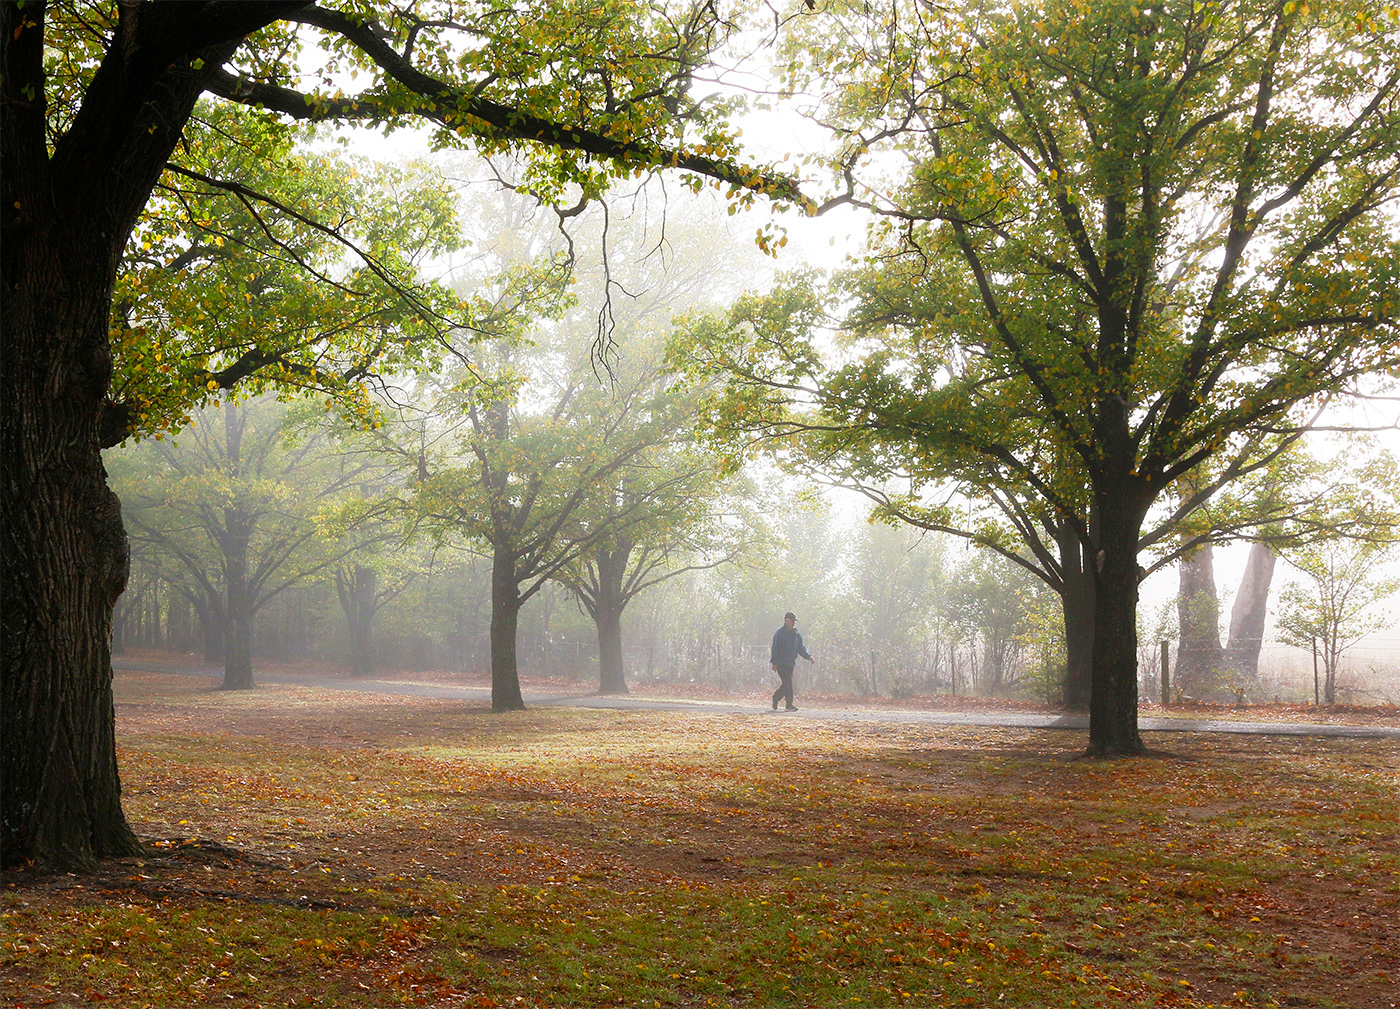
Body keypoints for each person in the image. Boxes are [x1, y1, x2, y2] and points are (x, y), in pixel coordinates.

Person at [770, 611, 814, 711]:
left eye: (794, 621)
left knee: (786, 683)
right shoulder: (780, 633)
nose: (794, 623)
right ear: (786, 621)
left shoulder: (796, 634)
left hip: (790, 663)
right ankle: (789, 705)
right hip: (781, 662)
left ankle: (776, 697)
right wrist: (774, 663)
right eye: (792, 621)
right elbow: (775, 648)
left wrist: (808, 657)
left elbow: (800, 648)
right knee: (788, 683)